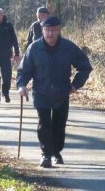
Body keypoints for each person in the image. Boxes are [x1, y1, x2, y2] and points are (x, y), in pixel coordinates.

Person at [17, 16, 92, 168]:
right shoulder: (34, 48)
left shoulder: (68, 47)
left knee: (59, 124)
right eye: (47, 30)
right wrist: (21, 85)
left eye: (53, 30)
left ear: (58, 31)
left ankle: (56, 152)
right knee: (44, 124)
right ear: (42, 30)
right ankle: (45, 155)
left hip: (62, 92)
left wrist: (75, 85)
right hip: (41, 92)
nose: (50, 33)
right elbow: (24, 70)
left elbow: (85, 66)